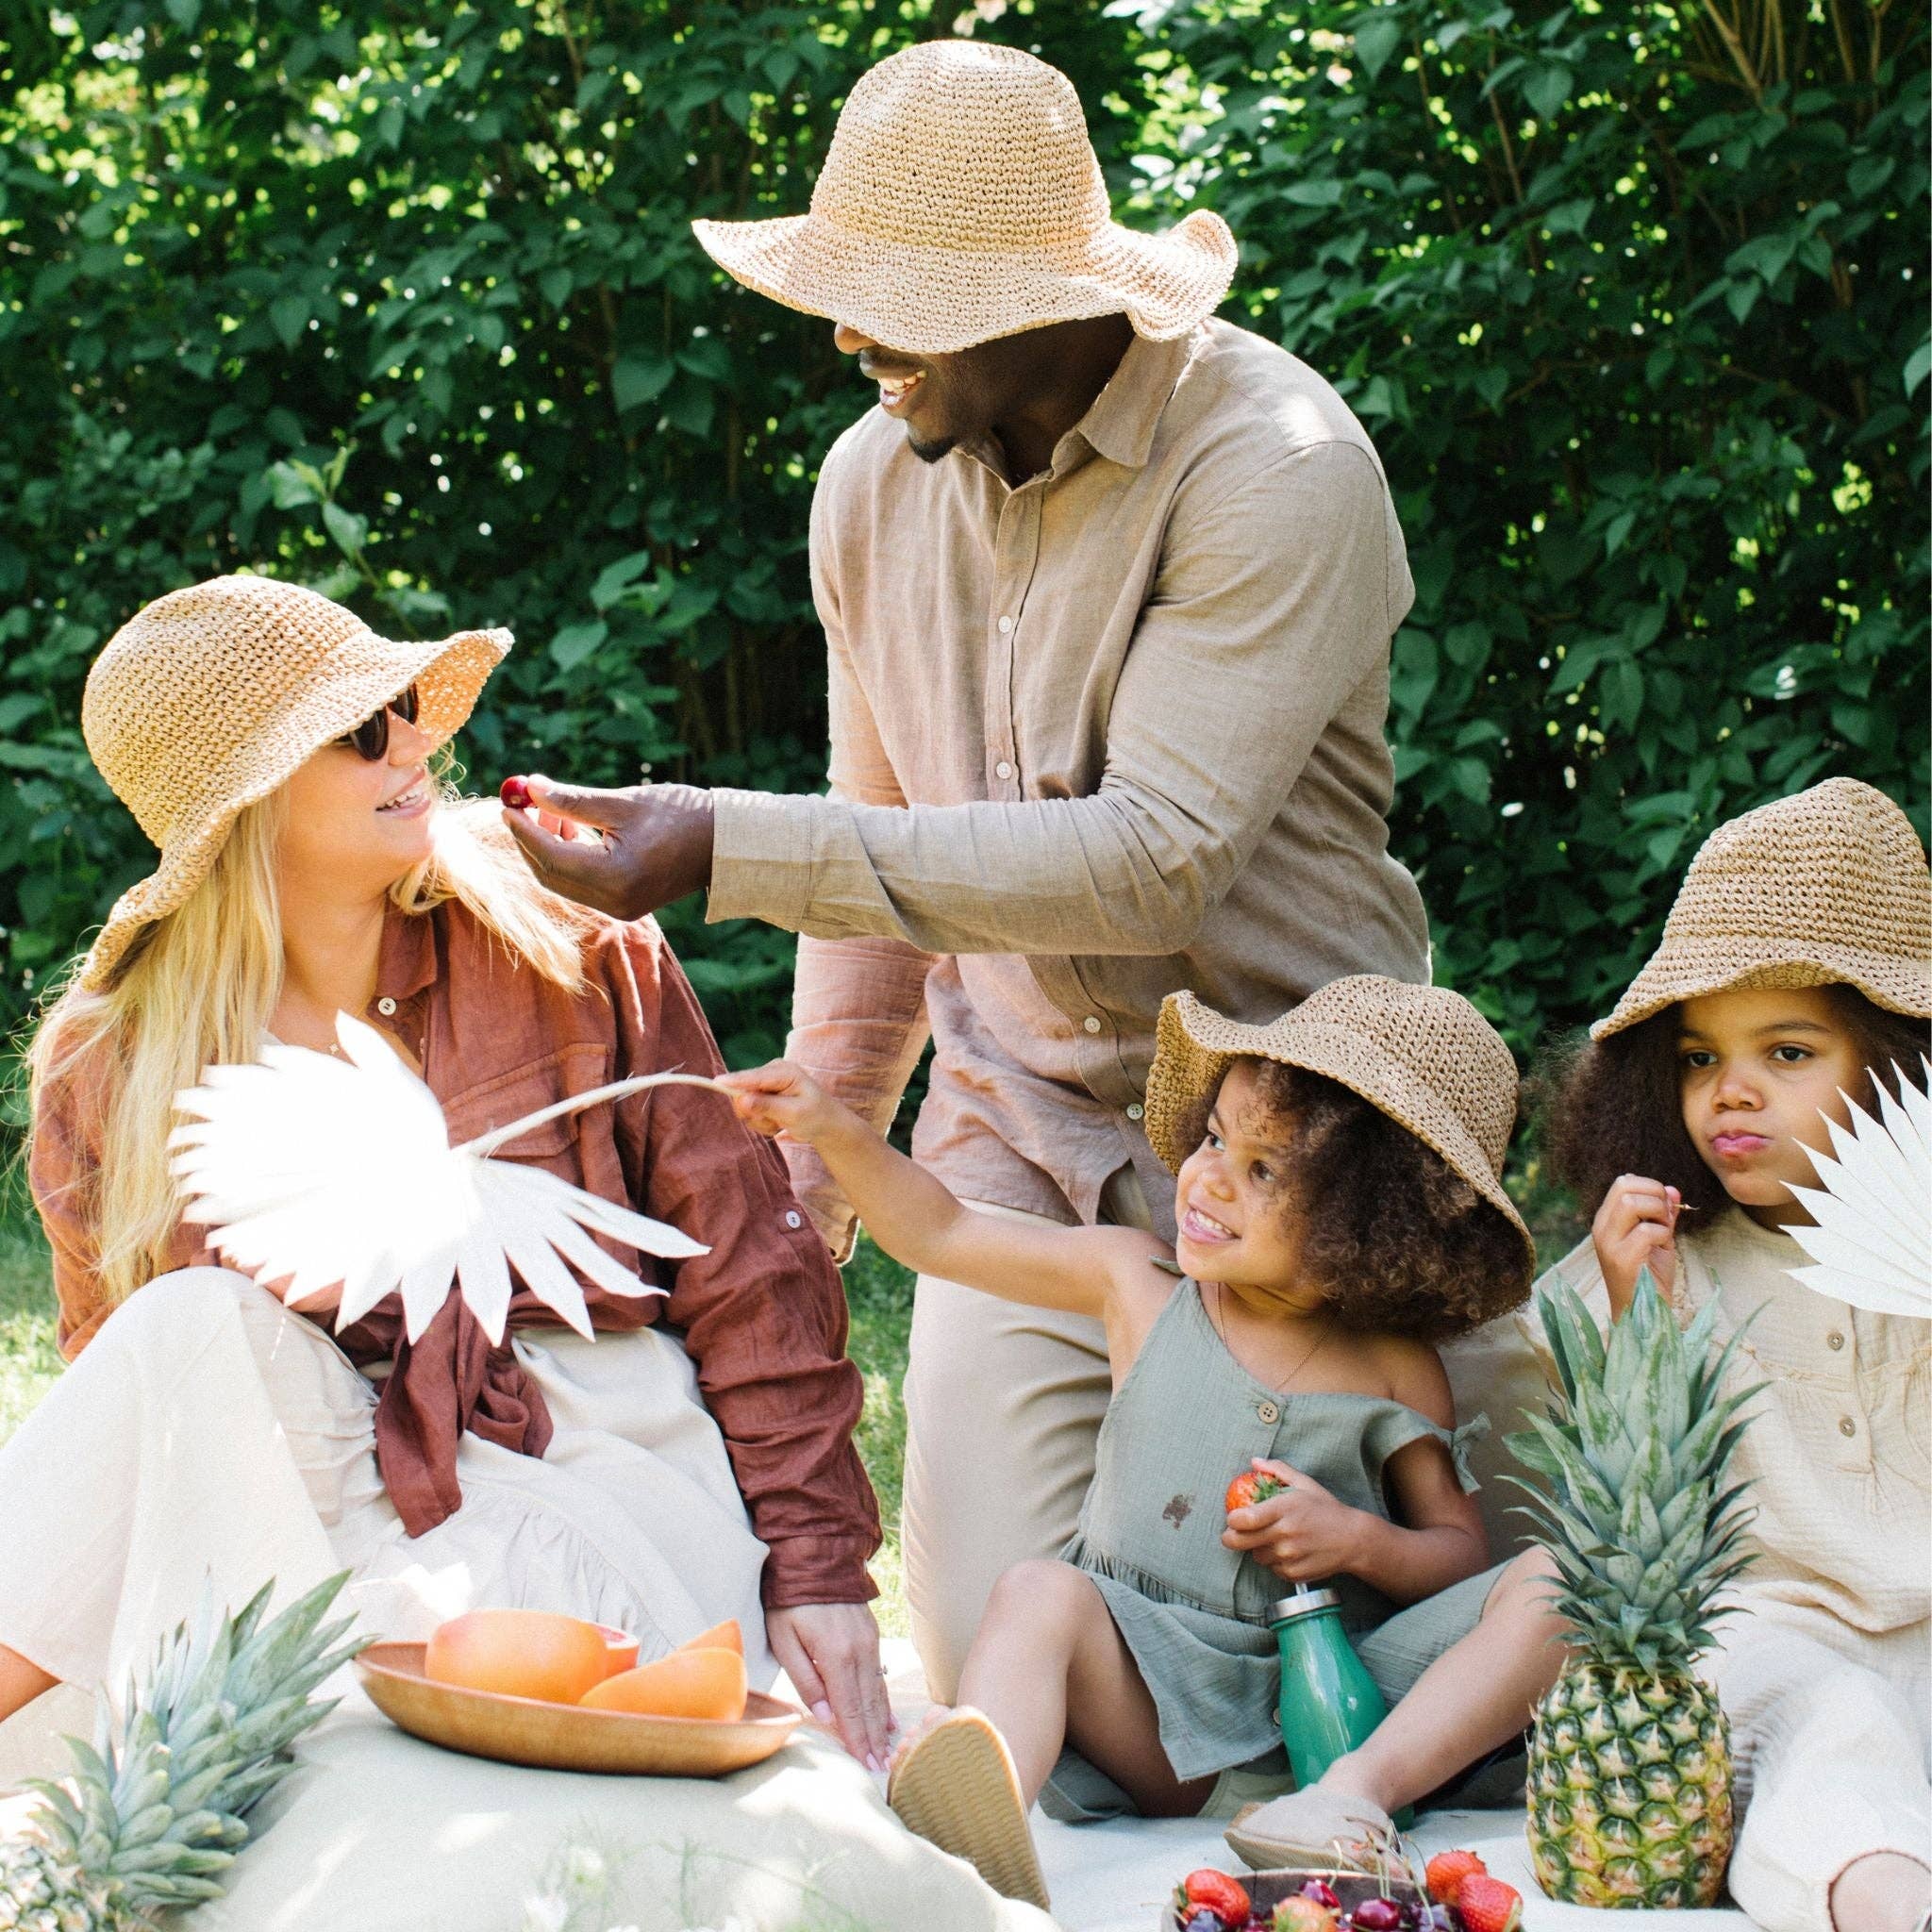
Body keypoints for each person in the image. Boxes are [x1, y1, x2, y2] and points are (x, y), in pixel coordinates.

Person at [500, 36, 1435, 1703]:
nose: (847, 336)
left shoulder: (1277, 465)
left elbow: (1149, 860)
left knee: (1267, 1672)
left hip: (1288, 1142)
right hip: (1010, 1131)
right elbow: (883, 843)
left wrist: (721, 841)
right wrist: (809, 1170)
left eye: (891, 299)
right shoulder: (869, 481)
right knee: (994, 1675)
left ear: (1041, 298)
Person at [0, 575, 892, 1771]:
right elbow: (128, 1416)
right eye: (362, 727)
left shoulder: (562, 933)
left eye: (408, 699)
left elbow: (749, 1272)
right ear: (245, 804)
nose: (417, 740)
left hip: (585, 1451)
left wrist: (820, 1570)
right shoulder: (112, 1063)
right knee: (181, 1330)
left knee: (407, 1731)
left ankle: (799, 1764)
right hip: (319, 1484)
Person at [717, 975, 1573, 1908]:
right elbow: (945, 1229)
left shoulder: (1398, 1370)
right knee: (1038, 1589)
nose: (1205, 1177)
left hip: (1335, 1708)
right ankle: (969, 1831)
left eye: (1262, 1170)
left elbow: (1455, 1551)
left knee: (1553, 1583)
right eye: (1215, 1138)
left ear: (1369, 1226)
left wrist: (1358, 1541)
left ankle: (1348, 1801)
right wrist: (835, 1129)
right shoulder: (1140, 1283)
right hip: (1156, 1702)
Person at [1531, 776, 1930, 1932]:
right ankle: (1884, 1905)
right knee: (1838, 1731)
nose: (1729, 1090)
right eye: (1698, 1057)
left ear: (1900, 1062)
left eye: (1787, 1048)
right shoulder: (1661, 1258)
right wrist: (1628, 1312)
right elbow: (1607, 1512)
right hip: (1763, 1642)